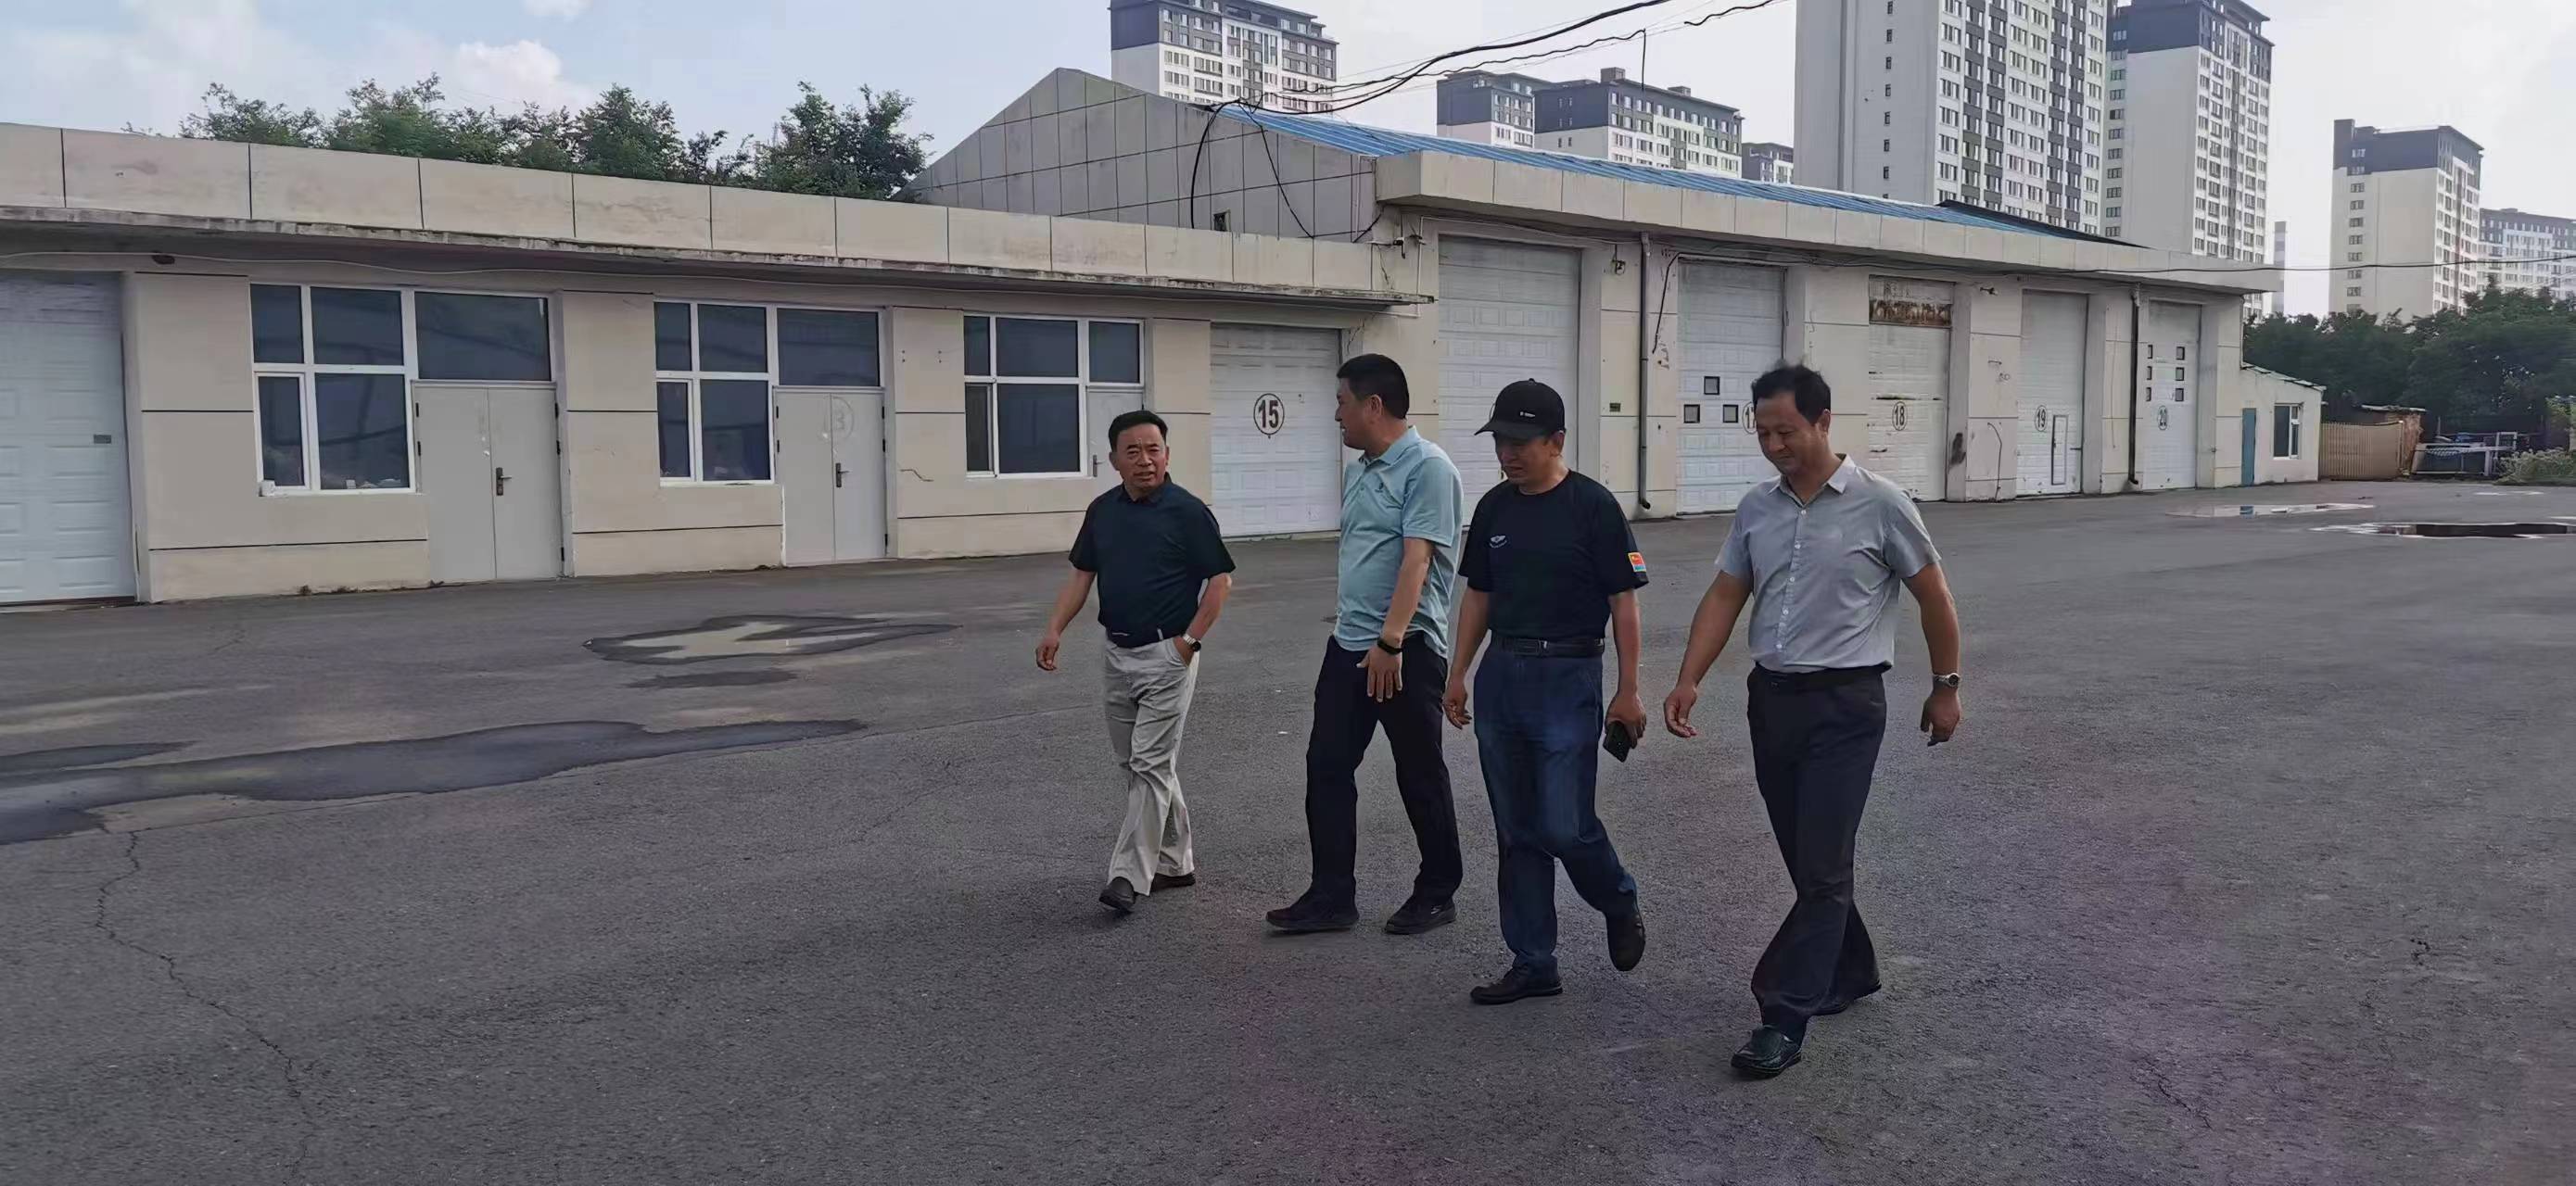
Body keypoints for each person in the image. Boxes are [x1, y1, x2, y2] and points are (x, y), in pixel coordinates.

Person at [1661, 364, 1964, 1078]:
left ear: (1823, 422)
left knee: (1822, 867)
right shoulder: (1756, 508)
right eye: (1762, 433)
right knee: (1807, 861)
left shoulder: (1881, 503)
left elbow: (1934, 596)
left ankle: (1782, 1014)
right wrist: (1688, 677)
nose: (1773, 446)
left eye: (1786, 431)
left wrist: (1944, 687)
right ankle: (1851, 969)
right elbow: (1726, 593)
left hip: (1845, 707)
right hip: (1772, 702)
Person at [1440, 380, 1650, 1004]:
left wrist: (1629, 690)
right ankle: (1533, 961)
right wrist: (1458, 672)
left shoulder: (1593, 507)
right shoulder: (1494, 509)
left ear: (1556, 440)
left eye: (1520, 442)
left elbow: (1623, 603)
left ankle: (1617, 898)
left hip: (1568, 674)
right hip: (1503, 673)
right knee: (1516, 828)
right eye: (1500, 441)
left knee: (1563, 824)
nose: (1507, 453)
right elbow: (1478, 595)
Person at [1266, 354, 1466, 936]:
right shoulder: (1360, 469)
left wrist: (1391, 642)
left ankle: (1437, 892)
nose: (1336, 415)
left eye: (1342, 403)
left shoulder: (1428, 468)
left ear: (1373, 405)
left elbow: (1417, 560)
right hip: (1350, 643)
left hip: (1406, 648)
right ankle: (1332, 896)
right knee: (1326, 765)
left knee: (1418, 771)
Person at [1037, 410, 1236, 916]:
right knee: (1140, 765)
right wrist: (1055, 628)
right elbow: (1082, 575)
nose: (1145, 460)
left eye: (1154, 450)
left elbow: (1220, 582)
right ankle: (1176, 861)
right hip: (1117, 654)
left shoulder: (1188, 512)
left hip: (1167, 655)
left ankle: (1127, 874)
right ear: (1114, 460)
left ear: (1167, 455)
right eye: (1133, 451)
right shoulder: (1103, 511)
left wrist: (1187, 644)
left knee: (1148, 765)